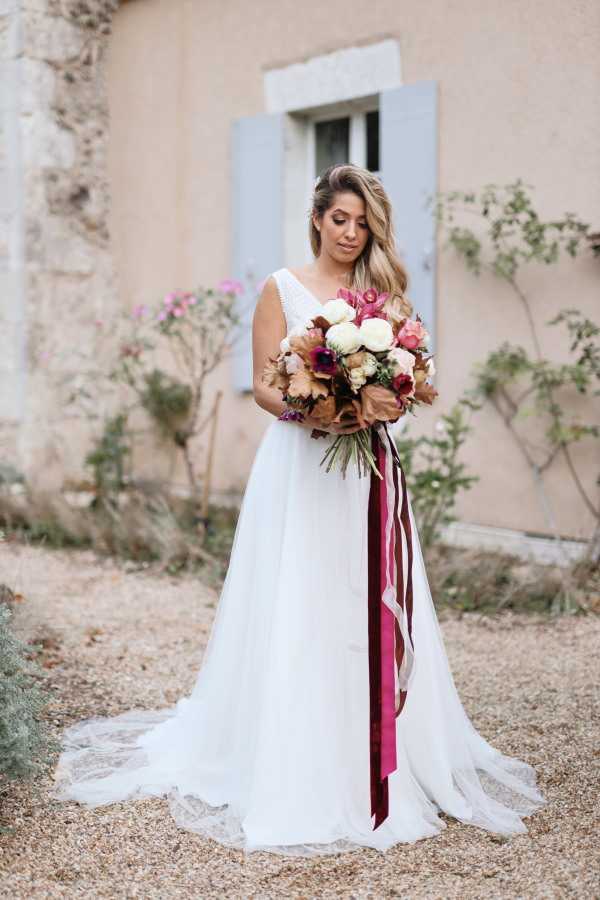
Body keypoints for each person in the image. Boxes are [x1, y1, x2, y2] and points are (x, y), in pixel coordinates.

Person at [52, 164, 544, 856]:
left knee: (360, 592)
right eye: (339, 219)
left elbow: (410, 378)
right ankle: (297, 753)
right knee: (302, 595)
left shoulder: (383, 298)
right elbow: (260, 385)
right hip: (300, 464)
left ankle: (378, 743)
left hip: (363, 470)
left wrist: (378, 402)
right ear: (317, 218)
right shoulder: (280, 288)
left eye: (362, 221)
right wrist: (322, 412)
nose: (350, 232)